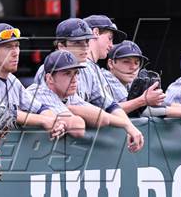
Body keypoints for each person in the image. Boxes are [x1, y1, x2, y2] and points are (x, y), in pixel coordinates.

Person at [33, 18, 144, 150]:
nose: (85, 47)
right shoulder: (50, 70)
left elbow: (109, 107)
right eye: (78, 43)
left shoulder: (89, 68)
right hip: (44, 149)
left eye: (86, 41)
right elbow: (77, 122)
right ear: (61, 46)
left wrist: (129, 126)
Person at [0, 23, 65, 139]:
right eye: (8, 47)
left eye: (17, 45)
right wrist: (43, 121)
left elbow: (40, 108)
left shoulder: (11, 80)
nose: (16, 52)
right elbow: (0, 114)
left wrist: (54, 121)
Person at [104, 40, 181, 139]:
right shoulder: (106, 78)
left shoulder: (129, 83)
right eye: (126, 61)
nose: (133, 67)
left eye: (136, 62)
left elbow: (160, 104)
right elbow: (134, 110)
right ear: (111, 63)